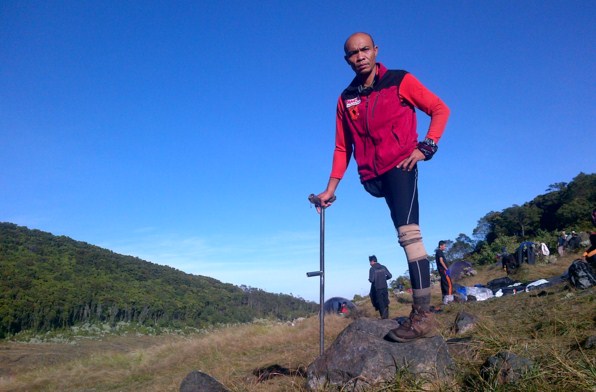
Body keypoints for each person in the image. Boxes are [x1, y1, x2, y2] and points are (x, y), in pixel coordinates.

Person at [314, 32, 450, 342]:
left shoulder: (399, 80)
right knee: (403, 233)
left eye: (364, 49)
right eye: (352, 53)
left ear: (376, 51)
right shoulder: (346, 98)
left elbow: (440, 109)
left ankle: (423, 315)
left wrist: (426, 147)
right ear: (347, 60)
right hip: (372, 176)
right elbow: (341, 147)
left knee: (409, 234)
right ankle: (422, 312)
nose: (360, 55)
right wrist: (330, 189)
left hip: (402, 166)